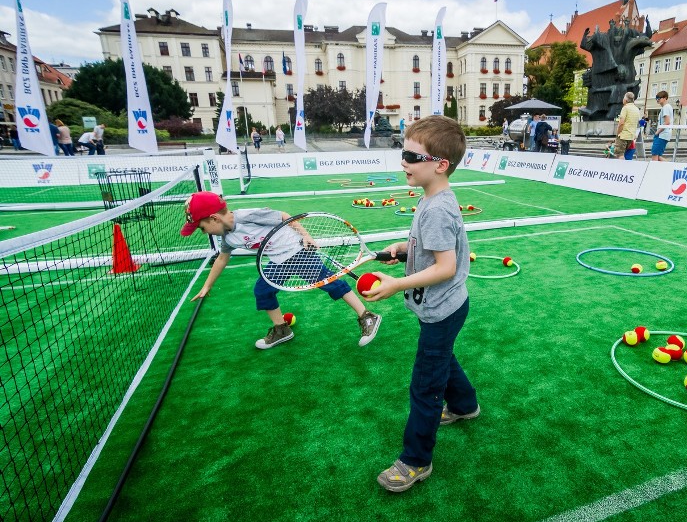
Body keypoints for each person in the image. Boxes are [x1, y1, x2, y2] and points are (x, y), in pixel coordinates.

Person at [364, 116, 478, 493]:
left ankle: (416, 460)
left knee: (425, 385)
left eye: (411, 156)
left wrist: (397, 284)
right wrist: (401, 249)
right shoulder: (433, 200)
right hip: (446, 306)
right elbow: (432, 251)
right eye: (403, 153)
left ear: (440, 165)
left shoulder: (437, 209)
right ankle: (464, 405)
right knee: (441, 357)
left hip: (442, 307)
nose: (403, 163)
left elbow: (445, 268)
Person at [180, 191, 383, 349]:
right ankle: (282, 330)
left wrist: (306, 235)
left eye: (202, 227)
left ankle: (366, 315)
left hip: (296, 251)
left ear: (214, 218)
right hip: (278, 261)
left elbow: (284, 216)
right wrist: (207, 286)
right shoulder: (227, 238)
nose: (204, 232)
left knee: (330, 282)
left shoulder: (247, 216)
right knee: (263, 290)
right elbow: (222, 259)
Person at [614, 92, 641, 159]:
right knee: (625, 154)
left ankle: (620, 169)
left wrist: (618, 133)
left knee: (620, 154)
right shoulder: (636, 109)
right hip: (631, 136)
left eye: (623, 98)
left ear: (626, 100)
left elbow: (621, 122)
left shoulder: (625, 108)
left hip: (623, 135)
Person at [651, 91, 673, 161]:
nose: (657, 100)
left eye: (659, 98)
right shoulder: (667, 107)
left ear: (665, 98)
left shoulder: (666, 107)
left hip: (662, 134)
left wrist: (657, 132)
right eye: (656, 98)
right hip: (664, 134)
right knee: (657, 156)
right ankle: (667, 167)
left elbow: (667, 122)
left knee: (655, 155)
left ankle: (657, 170)